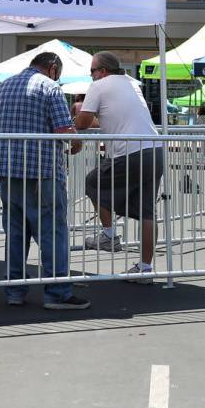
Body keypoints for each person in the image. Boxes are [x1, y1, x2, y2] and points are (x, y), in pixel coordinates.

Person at [0, 52, 90, 310]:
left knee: (16, 234)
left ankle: (15, 291)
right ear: (52, 68)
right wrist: (77, 142)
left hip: (9, 172)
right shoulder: (50, 88)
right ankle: (58, 293)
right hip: (42, 172)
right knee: (52, 233)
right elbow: (64, 131)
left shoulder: (5, 86)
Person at [76, 51, 165, 282]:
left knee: (92, 182)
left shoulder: (99, 85)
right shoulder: (132, 83)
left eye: (92, 71)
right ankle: (145, 269)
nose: (91, 76)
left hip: (130, 152)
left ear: (102, 71)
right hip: (154, 149)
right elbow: (112, 118)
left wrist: (74, 114)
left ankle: (109, 235)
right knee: (148, 211)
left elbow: (83, 123)